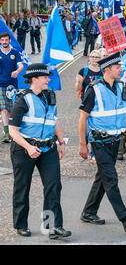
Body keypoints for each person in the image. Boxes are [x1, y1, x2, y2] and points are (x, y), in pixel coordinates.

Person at [78, 52, 126, 233]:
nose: (121, 70)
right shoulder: (93, 89)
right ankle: (125, 218)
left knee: (103, 177)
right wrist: (83, 144)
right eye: (117, 67)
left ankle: (89, 211)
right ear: (107, 70)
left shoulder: (121, 87)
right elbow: (83, 118)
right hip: (99, 142)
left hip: (115, 142)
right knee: (111, 178)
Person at [9, 63, 71, 239]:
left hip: (47, 148)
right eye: (45, 77)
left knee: (53, 185)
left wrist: (61, 141)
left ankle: (52, 227)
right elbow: (13, 131)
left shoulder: (50, 96)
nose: (48, 80)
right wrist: (28, 147)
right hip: (24, 149)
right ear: (34, 79)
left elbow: (54, 119)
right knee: (22, 187)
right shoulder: (22, 100)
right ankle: (21, 224)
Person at [0, 32, 24, 143]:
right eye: (2, 40)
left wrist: (17, 71)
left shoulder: (14, 52)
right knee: (3, 108)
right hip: (1, 85)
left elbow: (21, 65)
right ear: (0, 41)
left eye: (6, 40)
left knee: (11, 110)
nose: (4, 42)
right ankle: (7, 134)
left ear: (9, 41)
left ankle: (12, 130)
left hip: (12, 86)